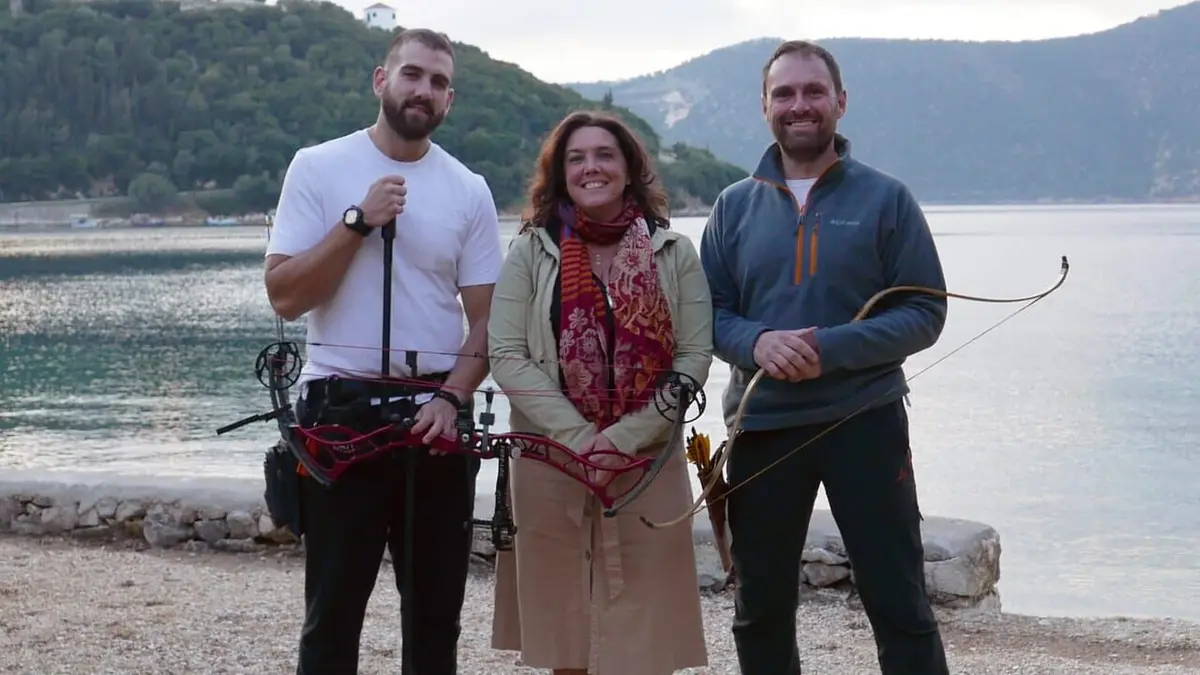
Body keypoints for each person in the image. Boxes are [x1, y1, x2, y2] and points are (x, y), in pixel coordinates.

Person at [699, 40, 952, 674]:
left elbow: (925, 313)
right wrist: (756, 342)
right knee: (759, 607)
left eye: (814, 91)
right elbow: (709, 315)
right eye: (783, 93)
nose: (799, 105)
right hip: (762, 429)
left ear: (840, 101)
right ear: (764, 106)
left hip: (865, 423)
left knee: (899, 600)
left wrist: (830, 349)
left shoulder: (888, 199)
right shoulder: (732, 206)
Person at [263, 28, 504, 674]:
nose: (424, 90)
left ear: (449, 100)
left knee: (435, 619)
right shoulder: (317, 167)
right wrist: (357, 223)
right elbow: (285, 295)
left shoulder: (468, 189)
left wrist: (452, 398)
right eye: (412, 74)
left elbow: (488, 321)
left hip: (436, 421)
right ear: (381, 80)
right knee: (332, 614)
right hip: (338, 417)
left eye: (439, 82)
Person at [487, 110, 714, 675]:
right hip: (550, 461)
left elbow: (692, 360)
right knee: (564, 631)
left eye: (604, 155)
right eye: (576, 158)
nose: (591, 167)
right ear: (561, 174)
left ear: (629, 168)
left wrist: (623, 439)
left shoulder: (674, 252)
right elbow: (506, 355)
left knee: (647, 637)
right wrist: (581, 438)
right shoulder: (529, 251)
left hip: (648, 463)